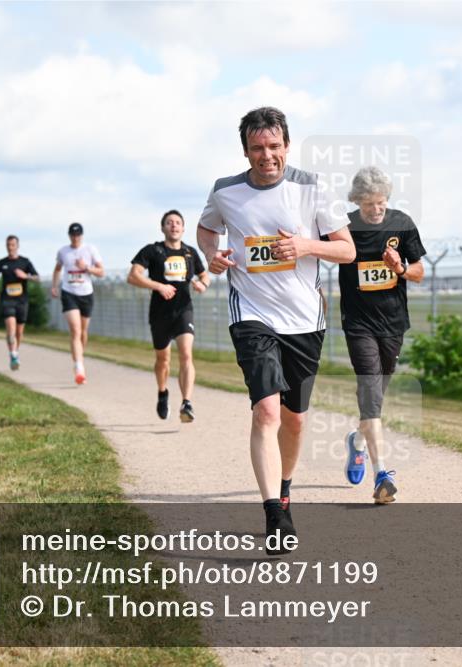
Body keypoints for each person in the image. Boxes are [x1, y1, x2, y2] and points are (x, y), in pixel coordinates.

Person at [197, 106, 355, 554]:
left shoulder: (311, 187)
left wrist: (304, 245)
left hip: (305, 317)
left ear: (286, 145)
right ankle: (274, 513)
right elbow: (207, 229)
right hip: (251, 313)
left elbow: (347, 251)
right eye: (257, 148)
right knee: (266, 411)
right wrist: (213, 254)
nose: (266, 156)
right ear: (245, 150)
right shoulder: (226, 191)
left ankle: (284, 488)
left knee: (294, 420)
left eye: (274, 146)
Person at [336, 167, 426, 504]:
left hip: (392, 323)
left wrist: (399, 267)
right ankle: (381, 473)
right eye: (370, 203)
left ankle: (358, 443)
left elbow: (419, 273)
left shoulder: (401, 223)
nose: (377, 209)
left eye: (382, 202)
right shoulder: (343, 227)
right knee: (370, 392)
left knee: (379, 394)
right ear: (357, 201)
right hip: (358, 323)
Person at [128, 210, 209, 420]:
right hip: (159, 314)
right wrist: (159, 286)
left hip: (184, 310)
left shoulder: (190, 252)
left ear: (183, 228)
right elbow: (133, 276)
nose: (174, 226)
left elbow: (204, 274)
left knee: (186, 355)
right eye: (169, 223)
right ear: (163, 227)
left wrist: (203, 284)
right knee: (163, 360)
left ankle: (187, 403)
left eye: (178, 223)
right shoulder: (152, 251)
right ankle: (163, 392)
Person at [52, 222, 105, 385]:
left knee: (82, 332)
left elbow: (101, 272)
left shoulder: (90, 250)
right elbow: (57, 269)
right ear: (69, 236)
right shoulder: (63, 251)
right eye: (73, 235)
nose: (75, 238)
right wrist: (54, 286)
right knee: (75, 330)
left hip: (86, 294)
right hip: (69, 293)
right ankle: (79, 368)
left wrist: (86, 267)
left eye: (78, 235)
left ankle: (79, 357)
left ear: (82, 235)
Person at [0, 235, 39, 371]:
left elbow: (37, 278)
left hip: (22, 301)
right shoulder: (2, 262)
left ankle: (15, 352)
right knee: (11, 330)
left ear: (17, 246)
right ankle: (13, 355)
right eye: (8, 245)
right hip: (7, 300)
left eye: (12, 245)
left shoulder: (25, 262)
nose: (10, 248)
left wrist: (26, 276)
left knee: (19, 332)